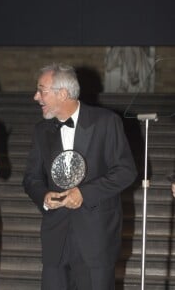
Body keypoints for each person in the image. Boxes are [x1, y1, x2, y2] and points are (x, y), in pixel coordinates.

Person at [23, 63, 137, 290]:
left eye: (42, 90)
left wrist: (84, 193)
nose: (36, 97)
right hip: (56, 239)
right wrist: (44, 196)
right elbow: (31, 179)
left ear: (63, 93)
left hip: (96, 238)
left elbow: (126, 171)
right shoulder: (41, 130)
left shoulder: (105, 122)